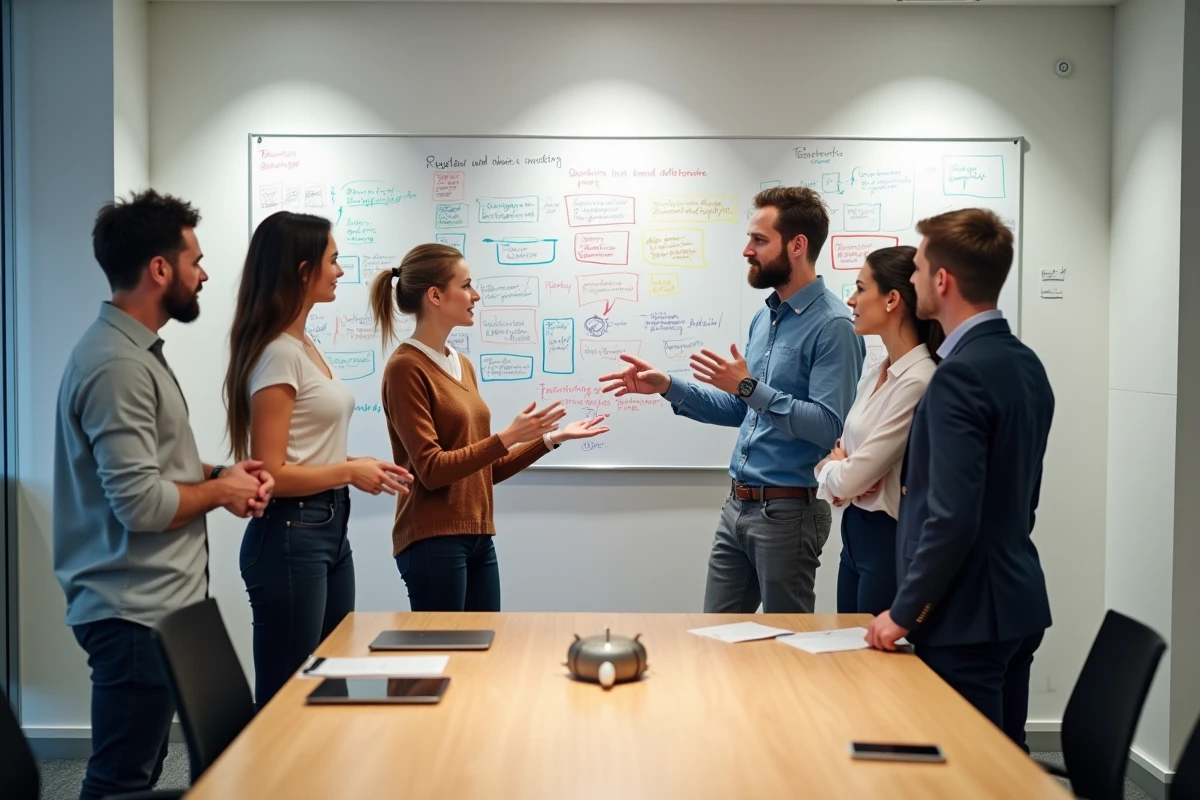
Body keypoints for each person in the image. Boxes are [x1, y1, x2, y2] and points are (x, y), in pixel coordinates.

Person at [54, 190, 273, 800]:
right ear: (159, 269)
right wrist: (219, 488)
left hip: (153, 607)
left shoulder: (132, 354)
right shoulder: (117, 365)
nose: (202, 275)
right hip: (131, 614)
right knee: (120, 783)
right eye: (195, 261)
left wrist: (220, 475)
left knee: (138, 779)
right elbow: (142, 505)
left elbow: (150, 465)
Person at [599, 186, 864, 613]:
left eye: (759, 240)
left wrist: (747, 387)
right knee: (715, 642)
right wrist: (669, 385)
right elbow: (745, 411)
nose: (747, 250)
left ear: (797, 245)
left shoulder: (834, 326)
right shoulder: (766, 317)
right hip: (737, 506)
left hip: (788, 515)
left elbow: (827, 427)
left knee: (785, 647)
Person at [865, 209, 1054, 753]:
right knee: (1006, 767)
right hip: (1016, 604)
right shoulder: (1024, 362)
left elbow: (950, 516)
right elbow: (1022, 496)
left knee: (969, 774)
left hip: (964, 620)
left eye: (920, 268)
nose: (916, 278)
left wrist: (906, 612)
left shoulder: (958, 376)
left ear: (942, 280)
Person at [223, 211, 412, 707]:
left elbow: (300, 447)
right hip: (290, 534)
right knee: (292, 698)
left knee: (329, 685)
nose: (341, 271)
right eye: (333, 261)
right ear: (303, 270)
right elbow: (269, 475)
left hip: (326, 528)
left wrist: (352, 461)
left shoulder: (303, 346)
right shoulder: (278, 354)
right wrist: (349, 470)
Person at [369, 244, 609, 611]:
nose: (475, 295)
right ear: (435, 295)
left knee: (483, 655)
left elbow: (483, 471)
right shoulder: (405, 368)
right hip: (433, 539)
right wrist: (509, 436)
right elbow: (432, 471)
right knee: (444, 660)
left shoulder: (461, 365)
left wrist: (549, 439)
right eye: (466, 285)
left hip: (479, 534)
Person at [815, 246, 940, 615]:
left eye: (859, 289)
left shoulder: (918, 381)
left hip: (888, 542)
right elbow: (839, 465)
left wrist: (840, 475)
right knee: (846, 655)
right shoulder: (876, 373)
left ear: (892, 300)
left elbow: (849, 473)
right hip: (854, 536)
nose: (850, 301)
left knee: (872, 667)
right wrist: (837, 475)